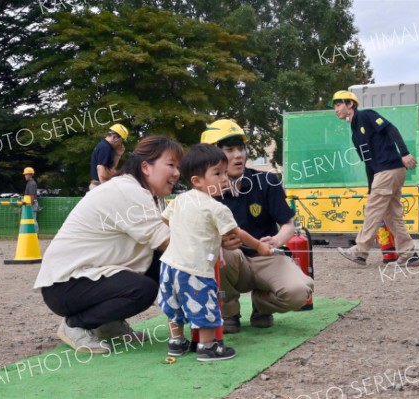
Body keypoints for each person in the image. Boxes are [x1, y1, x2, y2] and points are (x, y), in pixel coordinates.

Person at [34, 136, 183, 354]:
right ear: (146, 167)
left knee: (160, 264)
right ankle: (75, 325)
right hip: (66, 285)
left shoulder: (148, 195)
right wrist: (211, 251)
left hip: (83, 279)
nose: (177, 173)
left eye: (178, 167)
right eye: (171, 165)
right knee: (144, 288)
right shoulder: (128, 191)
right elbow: (167, 242)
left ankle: (108, 324)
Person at [159, 144, 273, 361]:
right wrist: (259, 246)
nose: (224, 178)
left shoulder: (180, 199)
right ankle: (207, 346)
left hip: (169, 265)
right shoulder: (217, 208)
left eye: (225, 173)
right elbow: (237, 232)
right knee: (204, 304)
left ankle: (176, 342)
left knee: (173, 305)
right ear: (197, 181)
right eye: (218, 173)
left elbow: (165, 220)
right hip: (196, 269)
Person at [200, 119, 314, 334]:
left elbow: (288, 225)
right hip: (232, 261)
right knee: (217, 252)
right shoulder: (204, 191)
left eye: (241, 148)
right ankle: (228, 312)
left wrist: (277, 240)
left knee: (299, 293)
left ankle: (261, 305)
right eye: (229, 149)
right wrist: (217, 242)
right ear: (211, 154)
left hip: (267, 256)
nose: (238, 155)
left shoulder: (267, 180)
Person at [329, 90, 419, 267]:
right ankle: (410, 254)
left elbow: (391, 128)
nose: (336, 109)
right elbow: (368, 162)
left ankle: (360, 251)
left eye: (339, 104)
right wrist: (371, 188)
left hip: (389, 169)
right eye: (334, 106)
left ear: (350, 105)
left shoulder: (366, 115)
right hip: (385, 172)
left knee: (372, 210)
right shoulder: (355, 134)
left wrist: (405, 152)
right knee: (391, 215)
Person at [89, 123, 129, 190]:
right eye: (121, 140)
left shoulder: (105, 146)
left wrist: (118, 155)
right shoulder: (105, 148)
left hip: (98, 185)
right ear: (114, 137)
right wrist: (106, 189)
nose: (121, 143)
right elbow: (101, 170)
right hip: (99, 186)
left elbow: (110, 168)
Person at [23, 166, 39, 232]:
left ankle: (36, 233)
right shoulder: (30, 183)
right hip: (30, 203)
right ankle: (32, 233)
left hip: (31, 203)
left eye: (26, 174)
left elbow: (31, 195)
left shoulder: (32, 184)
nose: (25, 176)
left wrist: (29, 204)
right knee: (30, 219)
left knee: (33, 219)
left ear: (30, 175)